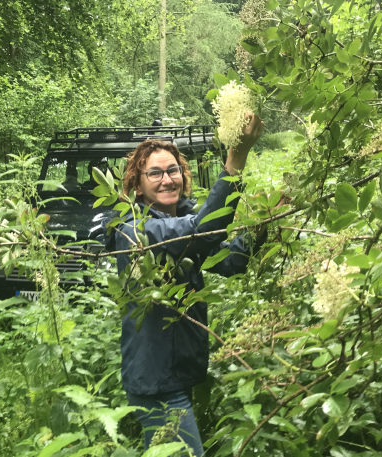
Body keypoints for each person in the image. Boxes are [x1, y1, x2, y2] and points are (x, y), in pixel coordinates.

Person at [104, 112, 266, 455]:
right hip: (157, 380)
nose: (167, 179)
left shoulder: (182, 219)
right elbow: (201, 233)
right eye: (155, 173)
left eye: (173, 170)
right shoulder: (135, 229)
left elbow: (231, 261)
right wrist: (234, 163)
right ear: (137, 184)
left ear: (183, 175)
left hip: (176, 373)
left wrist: (262, 226)